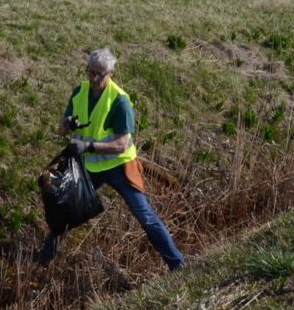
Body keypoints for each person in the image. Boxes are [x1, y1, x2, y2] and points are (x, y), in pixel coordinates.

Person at [36, 48, 185, 271]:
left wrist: (89, 146)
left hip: (120, 167)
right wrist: (66, 125)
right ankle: (45, 258)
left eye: (100, 74)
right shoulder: (80, 92)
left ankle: (178, 266)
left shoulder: (120, 101)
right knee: (66, 209)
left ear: (112, 73)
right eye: (90, 72)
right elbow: (60, 129)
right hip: (90, 168)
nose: (94, 78)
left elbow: (122, 144)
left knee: (145, 217)